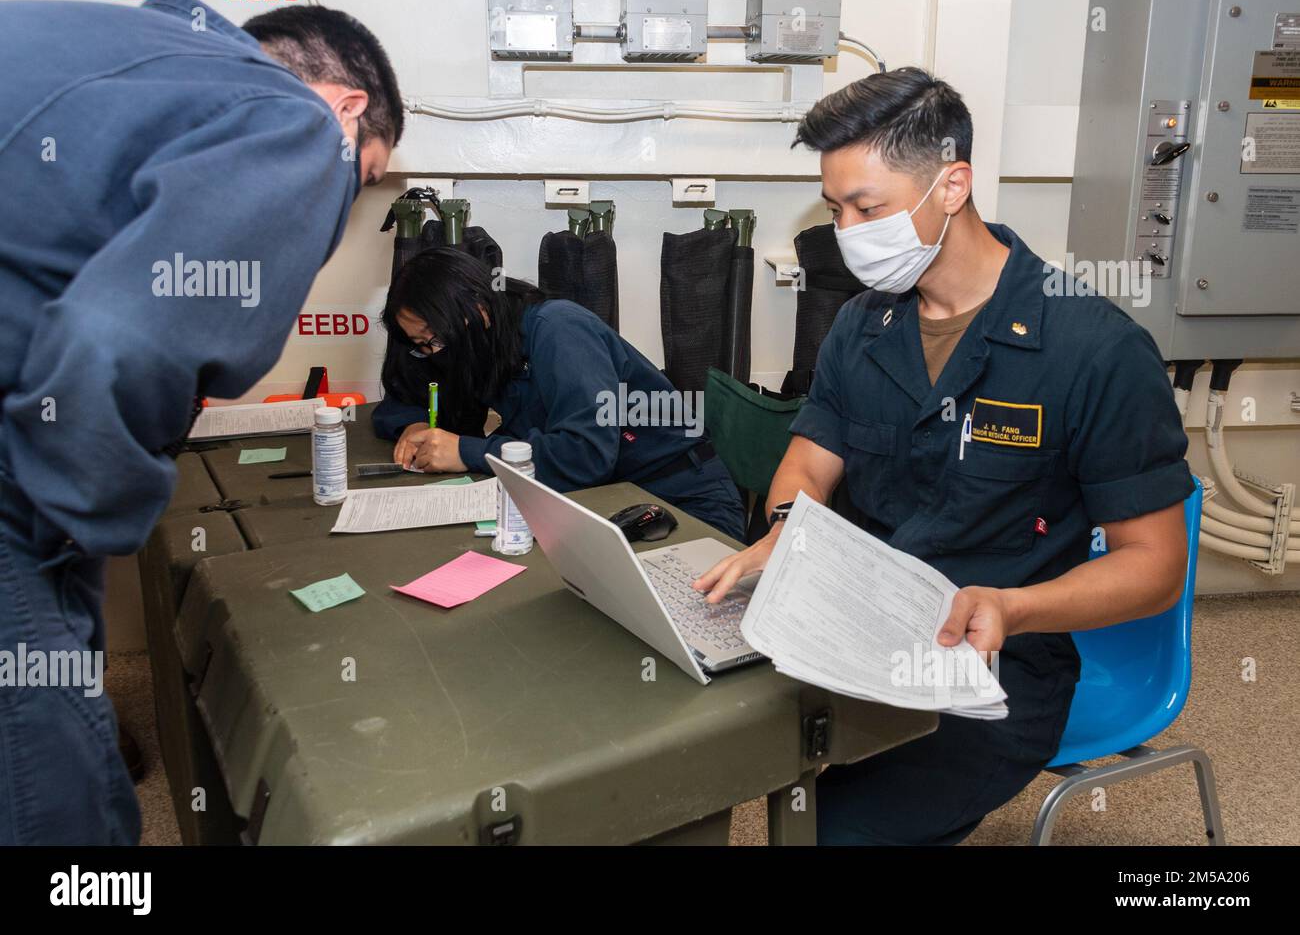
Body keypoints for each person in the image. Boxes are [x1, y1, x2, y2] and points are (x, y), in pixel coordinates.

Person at [693, 68, 1194, 845]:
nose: (850, 231)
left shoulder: (1093, 348)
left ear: (952, 185)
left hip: (996, 659)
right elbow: (809, 462)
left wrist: (1014, 606)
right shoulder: (861, 327)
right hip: (859, 621)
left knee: (841, 831)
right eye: (836, 209)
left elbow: (1155, 565)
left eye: (869, 207)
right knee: (687, 734)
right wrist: (787, 532)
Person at [0, 0, 403, 844]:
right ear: (348, 108)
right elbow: (117, 339)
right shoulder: (295, 121)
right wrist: (82, 531)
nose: (346, 197)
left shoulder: (142, 59)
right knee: (58, 809)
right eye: (365, 174)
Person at [372, 247, 747, 540]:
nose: (433, 353)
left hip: (680, 505)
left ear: (479, 310)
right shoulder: (480, 345)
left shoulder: (560, 330)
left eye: (434, 339)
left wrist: (465, 451)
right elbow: (404, 394)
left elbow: (584, 455)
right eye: (421, 344)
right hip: (602, 500)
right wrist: (414, 423)